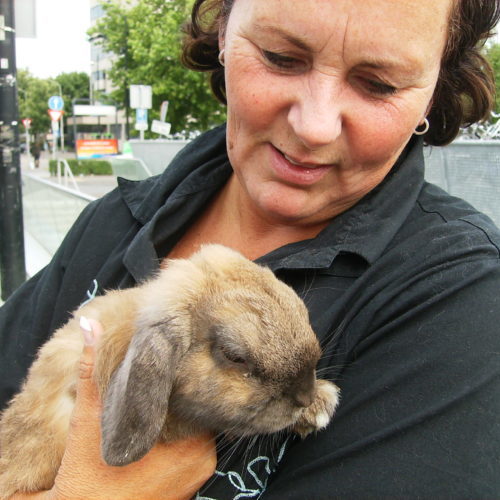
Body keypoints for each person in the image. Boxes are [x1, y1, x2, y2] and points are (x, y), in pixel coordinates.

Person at [1, 0, 500, 497]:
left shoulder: (461, 300)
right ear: (222, 34)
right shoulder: (113, 219)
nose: (314, 126)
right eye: (281, 57)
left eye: (379, 84)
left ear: (434, 90)